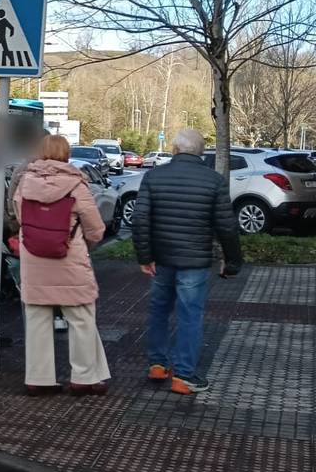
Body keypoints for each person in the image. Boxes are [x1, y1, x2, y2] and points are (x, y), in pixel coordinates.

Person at [133, 128, 242, 395]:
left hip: (161, 258)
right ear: (201, 152)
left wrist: (145, 257)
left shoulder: (153, 176)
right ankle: (183, 376)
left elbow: (139, 220)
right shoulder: (213, 181)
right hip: (194, 260)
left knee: (159, 310)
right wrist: (233, 262)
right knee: (190, 315)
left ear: (174, 149)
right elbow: (227, 226)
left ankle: (157, 364)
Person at [13, 135, 110, 395]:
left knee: (37, 319)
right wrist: (83, 242)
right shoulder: (76, 184)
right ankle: (83, 377)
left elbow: (20, 217)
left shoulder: (25, 182)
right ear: (66, 154)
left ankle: (38, 378)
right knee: (81, 318)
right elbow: (96, 228)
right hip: (70, 259)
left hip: (34, 259)